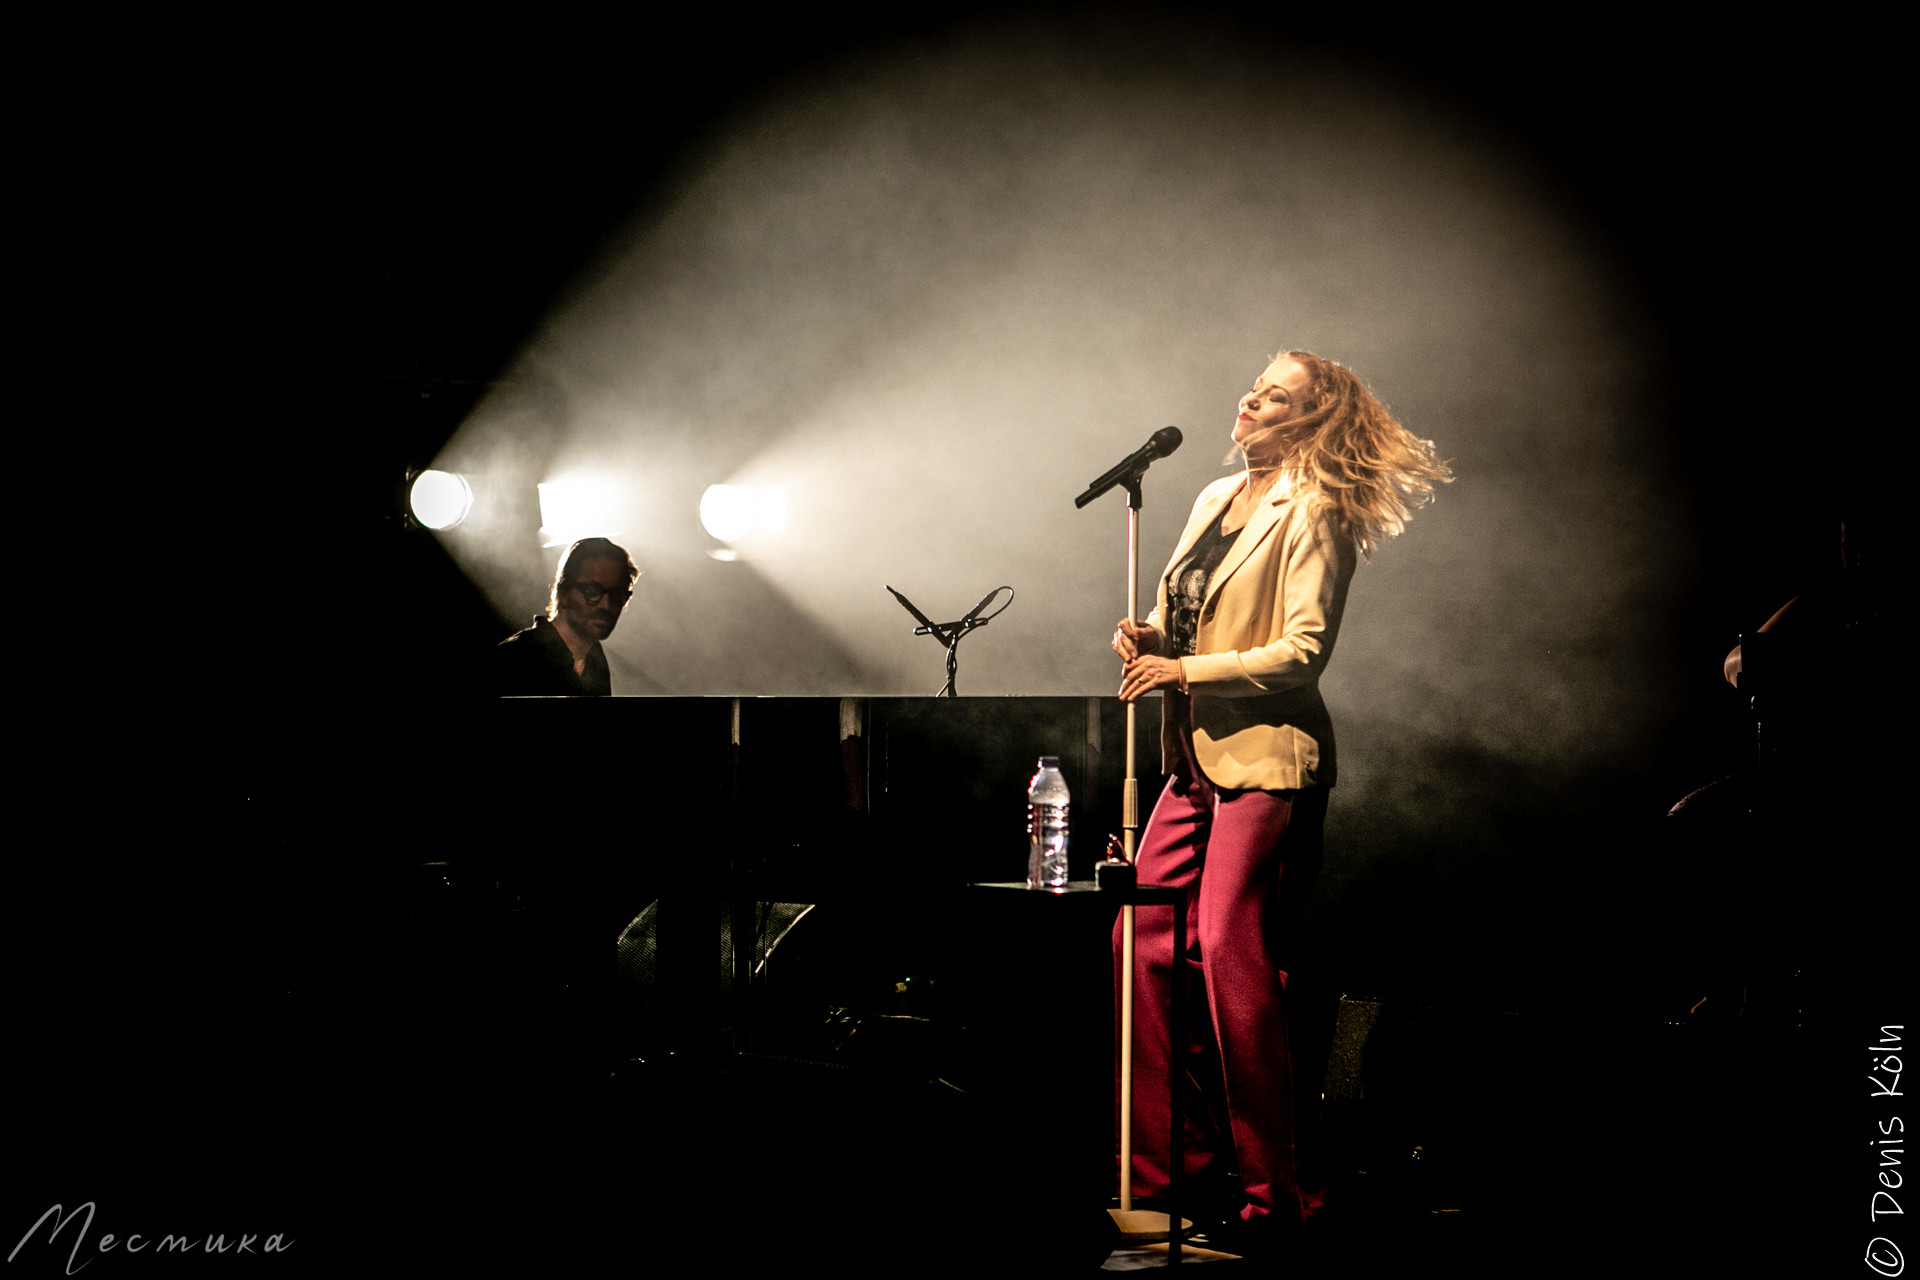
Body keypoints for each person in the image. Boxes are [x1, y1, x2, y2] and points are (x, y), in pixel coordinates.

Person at [1112, 349, 1450, 1245]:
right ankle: (1164, 1178)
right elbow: (1191, 616)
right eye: (1255, 386)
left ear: (1311, 419)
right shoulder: (1210, 501)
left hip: (1268, 759)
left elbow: (1302, 651)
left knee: (1230, 952)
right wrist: (1153, 634)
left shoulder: (1319, 508)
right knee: (1139, 940)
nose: (1251, 399)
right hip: (1190, 753)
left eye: (1276, 394)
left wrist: (1184, 665)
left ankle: (1283, 1193)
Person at [491, 537, 639, 696]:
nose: (606, 605)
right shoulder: (514, 658)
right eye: (592, 592)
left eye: (617, 595)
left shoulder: (596, 662)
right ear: (564, 593)